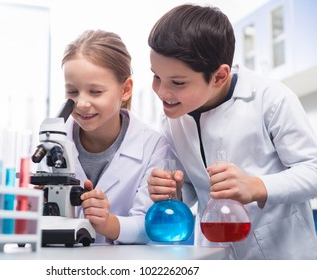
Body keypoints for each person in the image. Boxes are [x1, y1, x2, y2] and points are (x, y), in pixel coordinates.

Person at [147, 4, 317, 259]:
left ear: (219, 76)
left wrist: (256, 186)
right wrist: (175, 189)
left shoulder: (270, 99)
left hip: (282, 255)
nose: (161, 92)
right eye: (156, 76)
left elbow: (313, 170)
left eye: (178, 83)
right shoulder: (172, 120)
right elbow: (197, 188)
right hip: (214, 253)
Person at [39, 29, 170, 244]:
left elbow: (149, 224)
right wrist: (34, 202)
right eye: (72, 92)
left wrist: (108, 223)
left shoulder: (153, 146)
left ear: (125, 89)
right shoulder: (52, 139)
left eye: (95, 92)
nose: (81, 103)